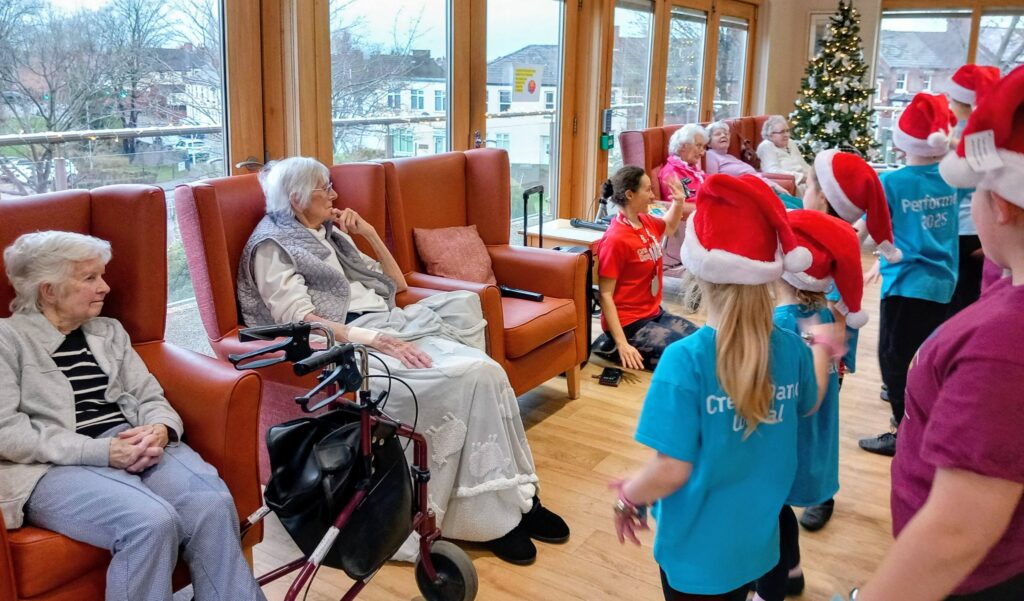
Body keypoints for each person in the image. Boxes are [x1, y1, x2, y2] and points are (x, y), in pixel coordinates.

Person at [235, 157, 568, 566]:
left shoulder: (327, 233)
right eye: (327, 188)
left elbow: (397, 284)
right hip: (351, 345)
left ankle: (517, 497)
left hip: (387, 323)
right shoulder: (272, 245)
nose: (336, 195)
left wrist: (368, 233)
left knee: (484, 367)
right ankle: (490, 518)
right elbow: (301, 321)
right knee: (478, 374)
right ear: (297, 197)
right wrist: (375, 339)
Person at [0, 231, 266, 601]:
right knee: (150, 522)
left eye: (101, 275)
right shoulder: (7, 340)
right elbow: (7, 434)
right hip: (51, 467)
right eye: (90, 278)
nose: (105, 287)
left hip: (132, 440)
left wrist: (159, 428)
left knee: (211, 503)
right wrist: (103, 452)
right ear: (49, 290)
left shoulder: (108, 331)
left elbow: (147, 394)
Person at [856, 64, 1024, 601]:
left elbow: (956, 532)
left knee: (893, 354)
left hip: (965, 579)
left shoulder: (1003, 347)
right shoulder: (1004, 288)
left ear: (998, 203)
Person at [610, 174, 819, 601]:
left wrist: (629, 496)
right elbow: (810, 403)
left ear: (698, 273)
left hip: (695, 557)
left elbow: (671, 469)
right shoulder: (794, 351)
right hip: (757, 547)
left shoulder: (685, 361)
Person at [756, 209, 862, 601]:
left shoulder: (782, 323)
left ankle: (778, 580)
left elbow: (805, 394)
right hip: (813, 435)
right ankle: (793, 570)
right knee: (780, 511)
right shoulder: (825, 313)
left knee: (773, 512)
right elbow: (836, 370)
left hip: (788, 437)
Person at [799, 148, 900, 529]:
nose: (802, 190)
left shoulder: (839, 248)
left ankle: (822, 494)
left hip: (822, 356)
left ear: (824, 195)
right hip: (795, 349)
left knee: (818, 426)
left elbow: (838, 317)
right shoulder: (807, 230)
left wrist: (823, 368)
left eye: (808, 184)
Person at [859, 92, 960, 458]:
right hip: (943, 282)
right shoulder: (952, 176)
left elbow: (876, 228)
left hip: (905, 283)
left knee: (892, 356)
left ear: (901, 142)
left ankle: (905, 431)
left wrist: (866, 257)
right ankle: (922, 418)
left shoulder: (892, 182)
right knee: (922, 353)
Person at [592, 165, 698, 371]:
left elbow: (669, 226)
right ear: (630, 194)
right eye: (648, 190)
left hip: (653, 312)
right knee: (686, 357)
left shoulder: (645, 222)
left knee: (702, 342)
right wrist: (622, 343)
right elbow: (605, 295)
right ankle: (613, 345)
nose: (653, 196)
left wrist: (678, 201)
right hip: (629, 323)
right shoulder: (615, 239)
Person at [945, 65, 1002, 316]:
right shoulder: (978, 129)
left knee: (962, 295)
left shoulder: (967, 132)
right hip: (971, 227)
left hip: (965, 227)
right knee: (966, 292)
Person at [703, 121, 795, 202]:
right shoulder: (711, 155)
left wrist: (774, 185)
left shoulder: (730, 157)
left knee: (799, 204)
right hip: (751, 193)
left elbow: (755, 175)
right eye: (718, 134)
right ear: (708, 142)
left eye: (726, 133)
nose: (723, 135)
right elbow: (712, 182)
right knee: (795, 209)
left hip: (763, 188)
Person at [659, 124, 708, 271]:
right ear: (682, 146)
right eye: (698, 146)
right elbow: (678, 203)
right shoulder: (672, 172)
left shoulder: (691, 169)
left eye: (703, 147)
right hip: (692, 221)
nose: (702, 152)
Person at [756, 115, 811, 195]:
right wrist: (801, 177)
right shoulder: (766, 146)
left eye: (787, 131)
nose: (786, 135)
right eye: (782, 132)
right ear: (770, 135)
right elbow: (772, 171)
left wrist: (814, 176)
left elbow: (803, 164)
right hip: (794, 183)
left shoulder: (790, 143)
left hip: (807, 181)